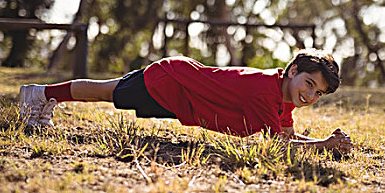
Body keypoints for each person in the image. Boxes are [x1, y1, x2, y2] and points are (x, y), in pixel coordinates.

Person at [19, 49, 353, 153]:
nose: (310, 96)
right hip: (173, 83)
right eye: (308, 84)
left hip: (183, 95)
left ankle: (43, 95)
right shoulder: (264, 91)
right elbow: (277, 148)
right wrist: (326, 144)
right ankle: (40, 95)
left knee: (110, 90)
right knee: (108, 92)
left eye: (317, 94)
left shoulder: (284, 97)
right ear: (293, 70)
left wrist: (327, 142)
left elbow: (286, 137)